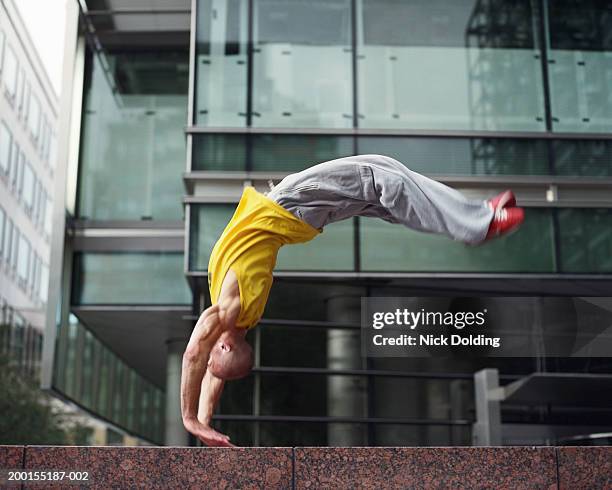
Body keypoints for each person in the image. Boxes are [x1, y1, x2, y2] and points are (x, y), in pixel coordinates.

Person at [180, 154, 524, 446]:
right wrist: (191, 419)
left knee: (384, 192)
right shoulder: (231, 311)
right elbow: (198, 357)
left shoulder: (234, 321)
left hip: (298, 216)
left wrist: (203, 423)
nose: (208, 360)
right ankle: (478, 223)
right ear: (223, 347)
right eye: (213, 357)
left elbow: (213, 371)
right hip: (290, 204)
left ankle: (476, 215)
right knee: (380, 179)